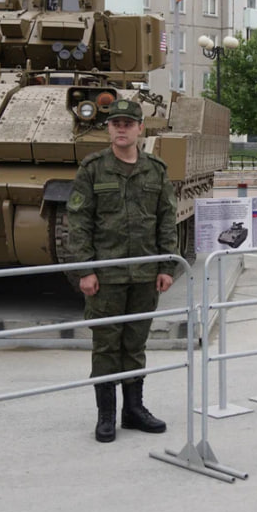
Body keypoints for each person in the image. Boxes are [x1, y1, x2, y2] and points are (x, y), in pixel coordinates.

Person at [65, 98, 178, 443]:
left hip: (144, 273)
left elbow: (166, 220)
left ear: (140, 128)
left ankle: (134, 410)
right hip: (107, 276)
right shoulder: (93, 168)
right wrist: (86, 269)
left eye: (128, 123)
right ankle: (106, 415)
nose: (122, 129)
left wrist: (166, 264)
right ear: (109, 128)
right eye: (116, 124)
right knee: (105, 346)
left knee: (135, 343)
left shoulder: (156, 170)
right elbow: (79, 222)